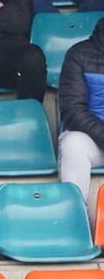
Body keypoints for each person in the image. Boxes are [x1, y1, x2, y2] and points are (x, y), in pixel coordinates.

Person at [58, 16, 104, 199]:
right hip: (95, 140)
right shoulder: (80, 54)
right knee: (73, 144)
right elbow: (73, 110)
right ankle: (75, 218)